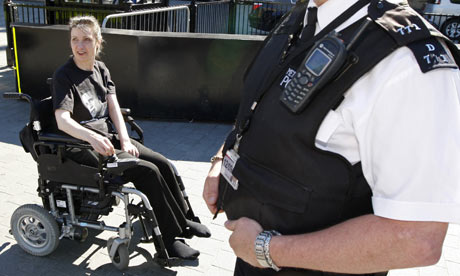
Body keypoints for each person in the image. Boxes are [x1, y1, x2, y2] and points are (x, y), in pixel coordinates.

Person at [203, 0, 460, 275]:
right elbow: (259, 106)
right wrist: (222, 156)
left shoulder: (405, 62)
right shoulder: (302, 17)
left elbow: (417, 240)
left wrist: (265, 249)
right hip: (250, 256)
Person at [52, 15, 211, 261]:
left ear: (98, 42)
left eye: (86, 39)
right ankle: (169, 243)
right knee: (148, 172)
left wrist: (125, 139)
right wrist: (91, 137)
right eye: (75, 39)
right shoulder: (64, 76)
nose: (79, 46)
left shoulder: (100, 68)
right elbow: (63, 120)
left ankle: (185, 220)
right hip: (86, 148)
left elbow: (114, 107)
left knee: (163, 164)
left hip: (111, 139)